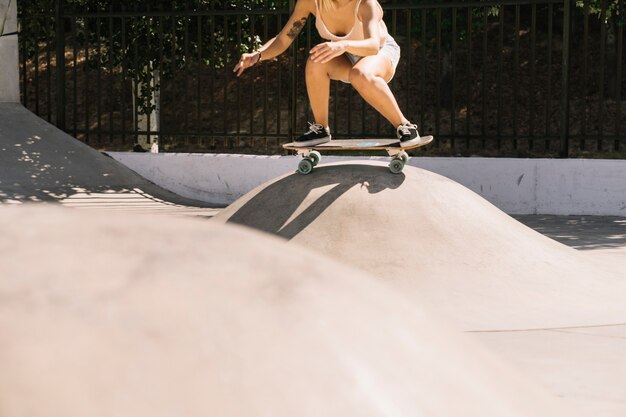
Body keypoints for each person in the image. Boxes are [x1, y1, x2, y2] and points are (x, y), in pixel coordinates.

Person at [233, 0, 426, 147]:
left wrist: (343, 45)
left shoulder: (366, 4)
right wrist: (257, 55)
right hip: (345, 54)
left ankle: (405, 126)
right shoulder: (311, 2)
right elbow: (285, 38)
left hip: (380, 53)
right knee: (316, 61)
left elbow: (373, 45)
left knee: (361, 74)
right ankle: (321, 129)